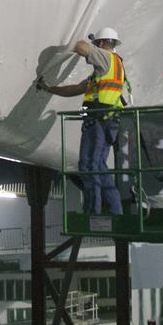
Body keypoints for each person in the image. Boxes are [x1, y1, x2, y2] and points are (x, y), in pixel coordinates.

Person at [37, 28, 129, 216]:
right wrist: (48, 89)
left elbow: (80, 47)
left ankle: (92, 210)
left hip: (99, 121)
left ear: (102, 44)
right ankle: (115, 209)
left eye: (97, 44)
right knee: (100, 166)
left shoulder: (105, 57)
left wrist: (85, 40)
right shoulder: (106, 71)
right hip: (108, 121)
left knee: (88, 164)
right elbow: (75, 89)